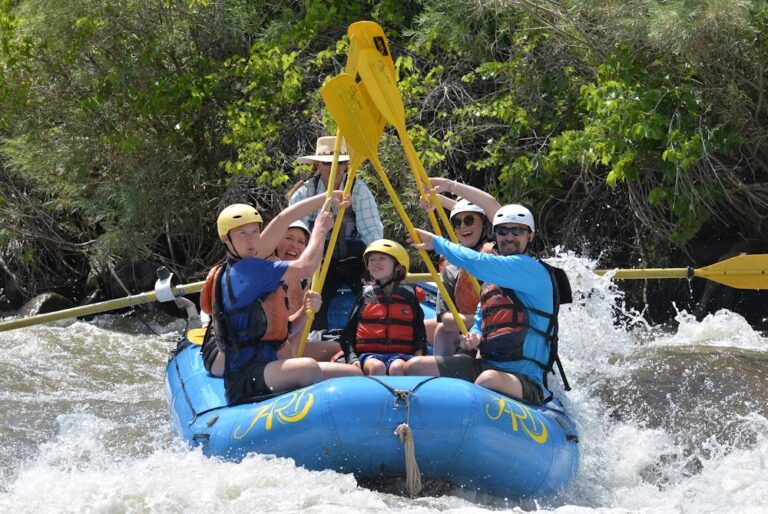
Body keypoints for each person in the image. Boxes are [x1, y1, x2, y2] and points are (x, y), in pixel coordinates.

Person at [200, 197, 362, 402]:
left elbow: (283, 218)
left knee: (354, 375)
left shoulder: (249, 264)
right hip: (245, 376)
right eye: (242, 234)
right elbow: (306, 267)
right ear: (226, 239)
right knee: (307, 367)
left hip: (268, 362)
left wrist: (326, 198)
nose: (251, 240)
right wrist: (320, 229)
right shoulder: (247, 271)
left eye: (254, 232)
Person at [405, 204, 571, 404]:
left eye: (517, 231)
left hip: (526, 380)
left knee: (487, 380)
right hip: (486, 364)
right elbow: (479, 321)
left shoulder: (532, 271)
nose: (509, 237)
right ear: (496, 236)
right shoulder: (490, 284)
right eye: (503, 231)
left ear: (531, 236)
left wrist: (438, 243)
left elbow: (477, 262)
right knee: (415, 367)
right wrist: (474, 336)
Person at [288, 136, 384, 330]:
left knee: (372, 296)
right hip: (319, 261)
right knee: (313, 298)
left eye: (340, 163)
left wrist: (374, 264)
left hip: (356, 259)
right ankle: (313, 338)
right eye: (328, 163)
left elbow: (372, 233)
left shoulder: (358, 190)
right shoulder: (305, 192)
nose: (336, 169)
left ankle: (371, 335)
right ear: (318, 164)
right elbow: (294, 234)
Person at [421, 178, 500, 355]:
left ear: (484, 224)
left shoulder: (497, 254)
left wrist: (449, 187)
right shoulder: (451, 265)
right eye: (458, 223)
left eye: (470, 220)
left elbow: (491, 206)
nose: (463, 226)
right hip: (468, 331)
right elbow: (446, 320)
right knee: (440, 330)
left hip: (497, 331)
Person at [337, 239, 427, 376]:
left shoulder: (409, 296)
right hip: (368, 356)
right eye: (371, 260)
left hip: (400, 356)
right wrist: (352, 357)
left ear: (398, 266)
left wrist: (418, 355)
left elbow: (419, 333)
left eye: (382, 258)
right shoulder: (366, 295)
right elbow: (348, 332)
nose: (375, 263)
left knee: (397, 367)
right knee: (377, 367)